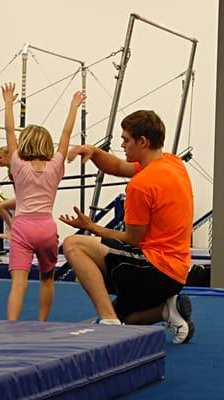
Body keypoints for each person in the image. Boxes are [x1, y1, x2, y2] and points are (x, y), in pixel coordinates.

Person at [59, 109, 195, 344]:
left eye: (125, 140)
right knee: (128, 318)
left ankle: (108, 321)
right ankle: (165, 310)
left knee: (73, 245)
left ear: (142, 141)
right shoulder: (172, 163)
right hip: (177, 272)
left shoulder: (141, 185)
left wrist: (92, 227)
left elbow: (132, 239)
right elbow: (119, 167)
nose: (122, 145)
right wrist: (93, 151)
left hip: (155, 269)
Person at [1, 82, 84, 321]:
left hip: (23, 226)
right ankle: (41, 323)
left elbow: (9, 132)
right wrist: (73, 107)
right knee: (47, 279)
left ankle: (12, 325)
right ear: (47, 144)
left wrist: (8, 104)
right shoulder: (56, 164)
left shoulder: (17, 163)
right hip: (46, 227)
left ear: (25, 143)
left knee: (19, 283)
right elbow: (66, 135)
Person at [0, 146, 16, 238]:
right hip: (21, 197)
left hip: (26, 198)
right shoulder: (10, 170)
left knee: (0, 206)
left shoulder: (16, 168)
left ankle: (13, 229)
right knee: (3, 206)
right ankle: (13, 228)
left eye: (0, 158)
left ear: (9, 156)